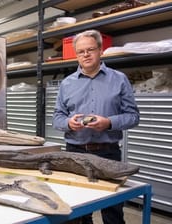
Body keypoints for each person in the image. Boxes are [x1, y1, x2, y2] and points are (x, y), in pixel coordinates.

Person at [52, 29, 140, 224]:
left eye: (90, 49)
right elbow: (56, 118)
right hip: (75, 154)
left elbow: (133, 117)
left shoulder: (119, 79)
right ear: (76, 54)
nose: (86, 55)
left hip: (108, 154)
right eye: (81, 51)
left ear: (101, 50)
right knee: (79, 211)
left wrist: (109, 123)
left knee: (113, 211)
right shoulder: (67, 84)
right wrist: (68, 123)